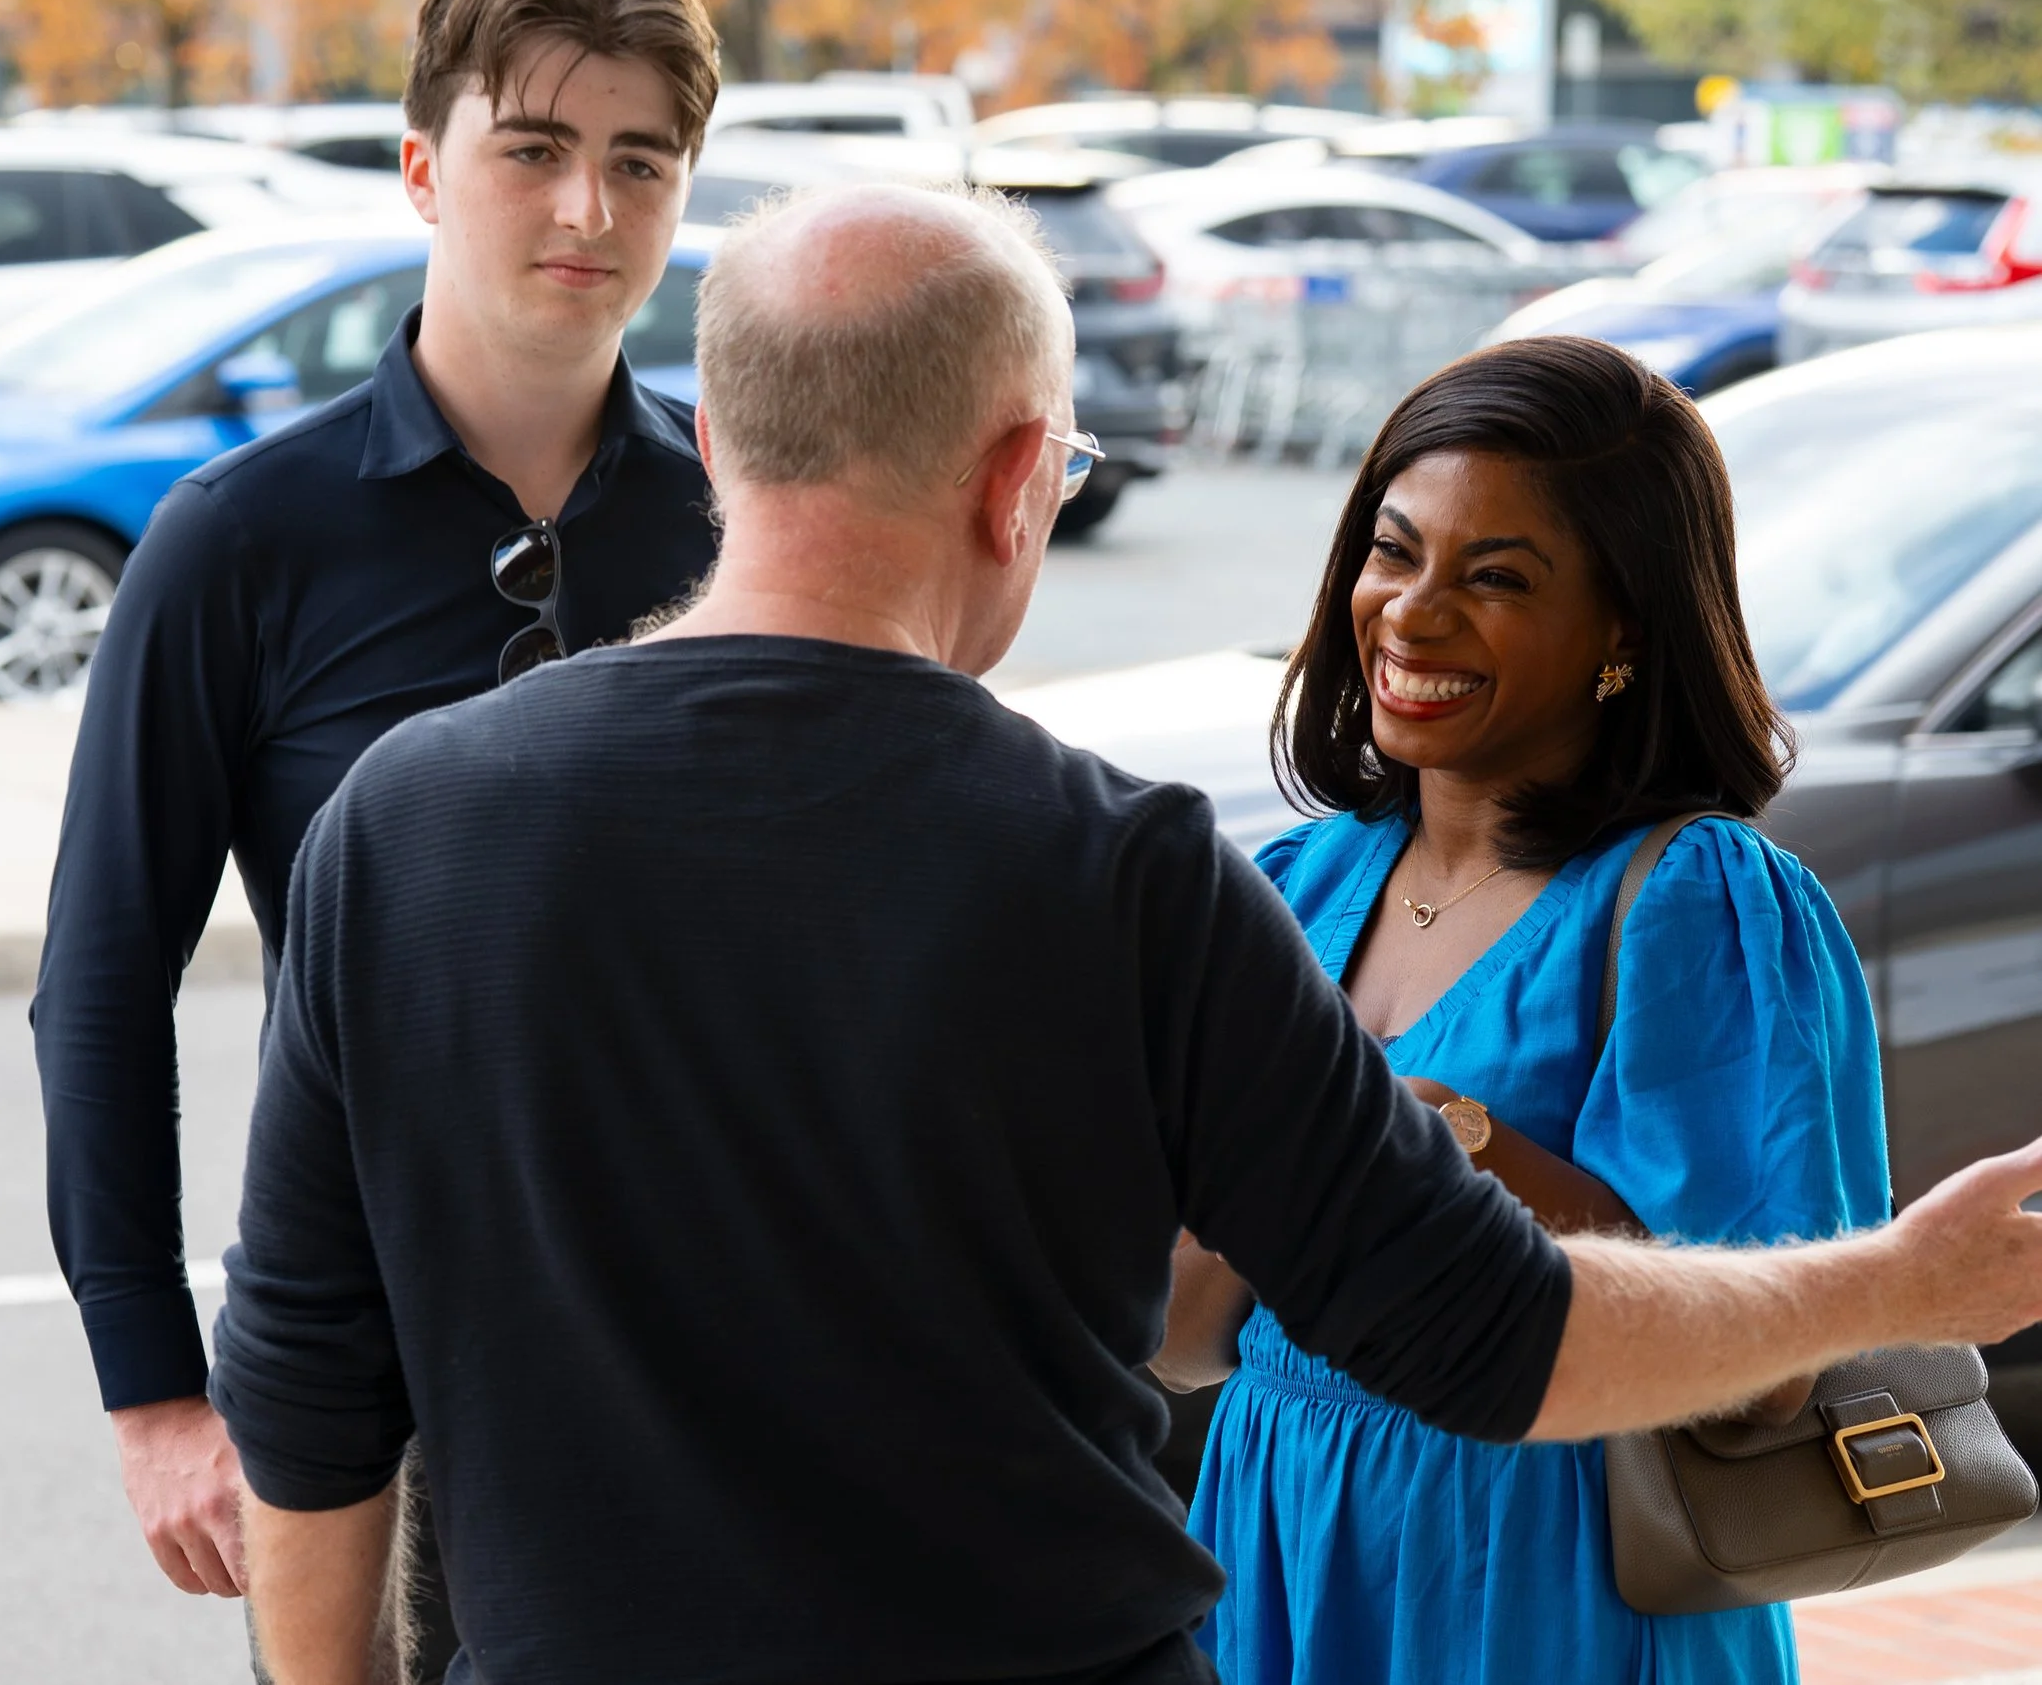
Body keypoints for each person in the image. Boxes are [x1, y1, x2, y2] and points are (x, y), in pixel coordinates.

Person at [207, 185, 2042, 1685]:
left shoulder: (398, 820)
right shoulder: (1128, 869)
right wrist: (1902, 1281)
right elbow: (1480, 1329)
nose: (1413, 610)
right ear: (1018, 477)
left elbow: (303, 1378)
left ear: (718, 442)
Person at [29, 0, 724, 1668]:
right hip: (368, 1369)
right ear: (423, 168)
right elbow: (101, 982)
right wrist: (154, 1393)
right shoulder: (240, 539)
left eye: (640, 162)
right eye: (534, 150)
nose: (588, 208)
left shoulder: (741, 520)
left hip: (710, 1346)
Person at [1155, 335, 1889, 1685]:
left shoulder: (1698, 902)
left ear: (1625, 630)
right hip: (1285, 1541)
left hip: (1545, 1571)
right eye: (1394, 552)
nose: (1414, 613)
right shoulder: (1297, 886)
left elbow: (1775, 1362)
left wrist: (1455, 1138)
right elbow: (1181, 1339)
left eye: (1496, 578)